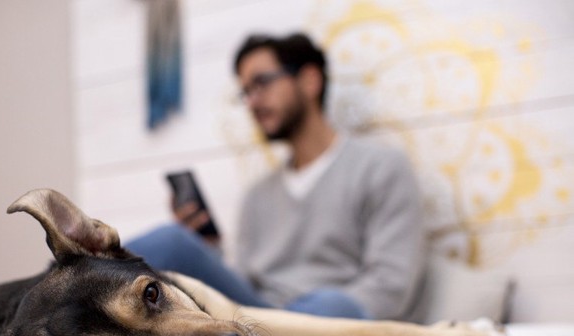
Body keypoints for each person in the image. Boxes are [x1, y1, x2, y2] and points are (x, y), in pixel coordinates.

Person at [127, 32, 426, 320]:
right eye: (246, 92)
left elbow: (391, 288)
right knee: (171, 243)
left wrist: (318, 321)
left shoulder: (381, 167)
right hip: (260, 319)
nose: (253, 102)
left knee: (332, 304)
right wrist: (209, 251)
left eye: (262, 83)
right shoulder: (258, 196)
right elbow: (239, 288)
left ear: (310, 80)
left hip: (332, 319)